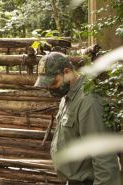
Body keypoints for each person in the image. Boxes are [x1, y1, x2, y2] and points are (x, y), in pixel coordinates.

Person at [34, 52, 121, 185]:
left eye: (53, 82)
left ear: (67, 72)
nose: (50, 88)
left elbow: (104, 161)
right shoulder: (68, 95)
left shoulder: (89, 102)